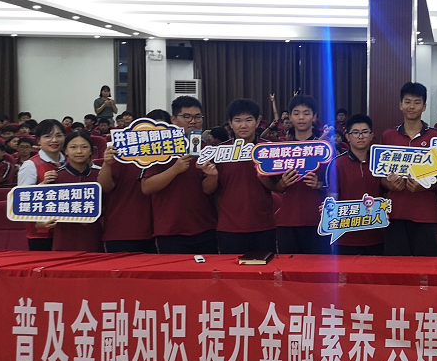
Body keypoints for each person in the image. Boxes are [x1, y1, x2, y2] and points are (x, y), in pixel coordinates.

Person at [140, 96, 218, 254]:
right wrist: (174, 169)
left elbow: (207, 189)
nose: (193, 121)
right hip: (171, 230)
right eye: (187, 117)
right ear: (173, 119)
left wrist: (212, 176)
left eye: (197, 117)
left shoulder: (207, 148)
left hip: (206, 227)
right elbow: (146, 187)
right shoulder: (158, 148)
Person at [204, 98, 278, 254]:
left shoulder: (268, 150)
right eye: (238, 120)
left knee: (265, 269)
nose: (243, 125)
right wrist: (212, 176)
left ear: (257, 122)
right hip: (229, 228)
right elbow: (207, 190)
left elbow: (279, 187)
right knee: (230, 270)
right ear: (230, 123)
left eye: (248, 120)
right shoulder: (219, 152)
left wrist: (264, 177)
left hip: (263, 226)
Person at [379, 82, 437, 257]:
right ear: (400, 105)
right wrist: (390, 185)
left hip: (426, 214)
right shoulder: (388, 136)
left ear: (424, 106)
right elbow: (380, 177)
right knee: (396, 268)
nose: (411, 106)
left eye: (417, 102)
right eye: (407, 102)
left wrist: (425, 186)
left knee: (427, 268)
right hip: (395, 214)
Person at [268, 94, 329, 255]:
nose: (301, 117)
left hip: (318, 220)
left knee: (317, 268)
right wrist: (282, 184)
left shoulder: (325, 150)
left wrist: (319, 185)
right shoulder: (281, 150)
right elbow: (276, 187)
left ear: (314, 117)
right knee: (289, 268)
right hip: (288, 220)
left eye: (306, 113)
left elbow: (336, 187)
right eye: (296, 113)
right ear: (290, 117)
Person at [324, 114, 385, 255]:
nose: (360, 136)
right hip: (345, 236)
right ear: (347, 136)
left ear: (372, 136)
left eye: (365, 132)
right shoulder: (337, 164)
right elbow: (332, 199)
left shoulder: (380, 162)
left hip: (376, 234)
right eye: (355, 133)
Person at [98, 142, 156, 254]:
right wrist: (107, 164)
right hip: (122, 231)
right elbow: (105, 187)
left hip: (158, 232)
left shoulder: (166, 155)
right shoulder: (121, 152)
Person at [50, 131, 103, 252]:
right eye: (73, 147)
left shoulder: (100, 175)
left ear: (91, 151)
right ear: (65, 151)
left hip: (94, 235)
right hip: (64, 236)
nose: (79, 151)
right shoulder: (56, 177)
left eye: (84, 147)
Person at [18, 119, 66, 251]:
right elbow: (21, 200)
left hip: (67, 231)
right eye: (47, 136)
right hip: (41, 233)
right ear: (38, 140)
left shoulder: (70, 161)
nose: (54, 140)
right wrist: (43, 185)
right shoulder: (30, 165)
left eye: (59, 135)